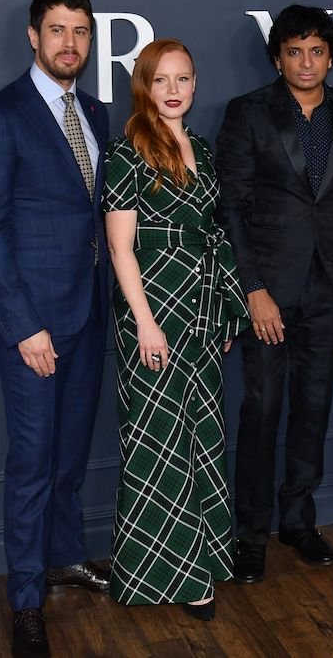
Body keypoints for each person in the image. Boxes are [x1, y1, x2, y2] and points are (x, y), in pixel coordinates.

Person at [0, 0, 111, 658]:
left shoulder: (99, 114)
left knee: (70, 455)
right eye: (57, 31)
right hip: (33, 326)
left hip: (89, 313)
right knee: (31, 461)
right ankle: (26, 598)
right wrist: (23, 324)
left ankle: (65, 554)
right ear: (33, 36)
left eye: (80, 31)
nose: (70, 44)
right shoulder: (1, 116)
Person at [215, 5, 333, 583]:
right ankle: (250, 533)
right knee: (261, 411)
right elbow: (230, 206)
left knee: (313, 409)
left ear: (330, 56)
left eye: (316, 50)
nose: (305, 62)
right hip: (268, 291)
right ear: (277, 57)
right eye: (293, 51)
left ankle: (298, 521)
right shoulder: (248, 113)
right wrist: (252, 289)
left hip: (330, 288)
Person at [103, 39, 248, 621]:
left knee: (199, 433)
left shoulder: (205, 151)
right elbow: (120, 248)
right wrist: (144, 322)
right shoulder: (126, 151)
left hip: (201, 309)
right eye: (160, 80)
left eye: (183, 79)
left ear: (194, 85)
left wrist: (221, 310)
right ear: (144, 85)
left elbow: (214, 233)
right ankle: (172, 576)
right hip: (152, 310)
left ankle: (206, 557)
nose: (172, 90)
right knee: (157, 440)